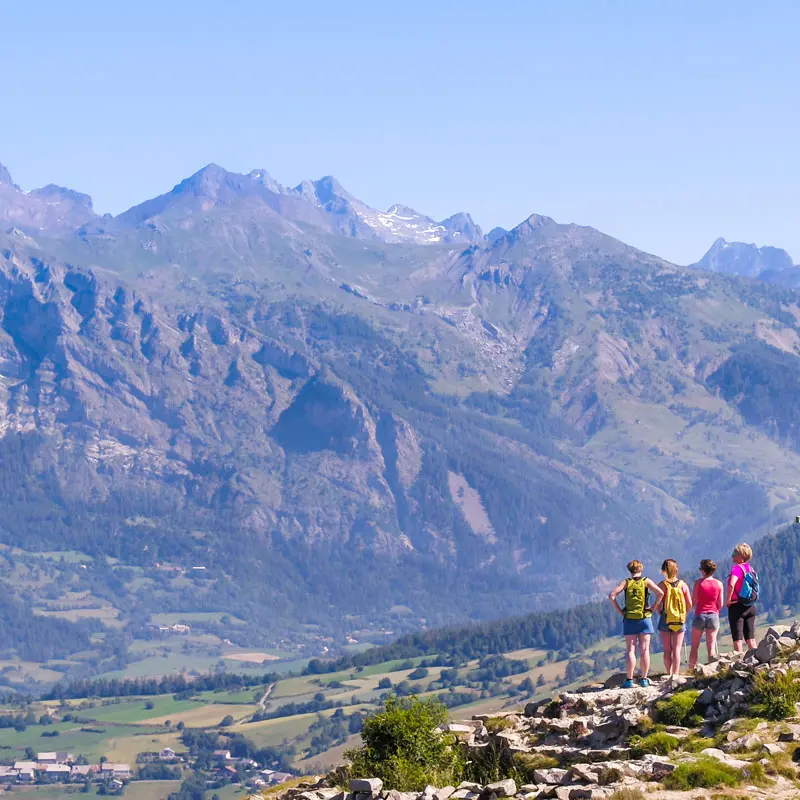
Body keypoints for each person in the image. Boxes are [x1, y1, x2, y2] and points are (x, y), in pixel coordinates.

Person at [609, 560, 664, 688]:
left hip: (629, 619)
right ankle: (644, 679)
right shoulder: (646, 581)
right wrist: (653, 607)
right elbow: (661, 593)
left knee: (630, 650)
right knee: (645, 650)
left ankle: (629, 680)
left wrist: (621, 612)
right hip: (645, 618)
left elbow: (612, 595)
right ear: (641, 569)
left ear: (630, 570)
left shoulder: (626, 582)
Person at [655, 559, 693, 678]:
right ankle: (675, 675)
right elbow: (690, 604)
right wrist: (683, 614)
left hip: (665, 617)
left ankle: (668, 672)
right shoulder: (683, 585)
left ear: (664, 570)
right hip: (679, 619)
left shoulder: (662, 585)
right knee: (677, 649)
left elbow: (657, 603)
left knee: (667, 649)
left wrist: (660, 612)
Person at [689, 559, 724, 669]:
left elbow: (693, 600)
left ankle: (691, 669)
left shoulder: (698, 583)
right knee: (711, 646)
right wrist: (715, 610)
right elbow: (721, 603)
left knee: (694, 646)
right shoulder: (719, 584)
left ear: (704, 571)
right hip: (713, 615)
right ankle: (711, 670)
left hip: (700, 614)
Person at [727, 542, 758, 652]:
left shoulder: (737, 568)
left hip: (737, 606)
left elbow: (732, 583)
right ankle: (757, 661)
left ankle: (739, 665)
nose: (732, 556)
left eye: (735, 553)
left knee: (737, 639)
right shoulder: (751, 569)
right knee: (751, 638)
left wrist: (728, 600)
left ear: (741, 556)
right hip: (750, 606)